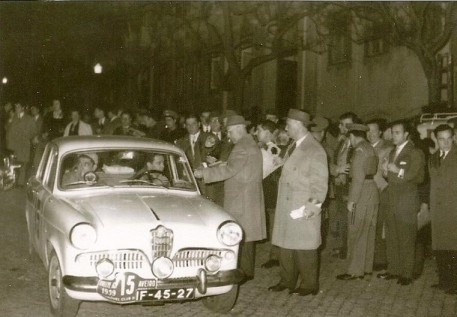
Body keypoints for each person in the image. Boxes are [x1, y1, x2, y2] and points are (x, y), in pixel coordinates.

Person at [194, 115, 266, 282]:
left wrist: (204, 173)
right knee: (245, 236)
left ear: (240, 128)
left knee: (240, 235)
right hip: (247, 196)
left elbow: (230, 170)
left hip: (241, 198)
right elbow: (235, 166)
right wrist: (220, 165)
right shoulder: (248, 143)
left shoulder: (242, 146)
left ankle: (244, 273)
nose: (229, 136)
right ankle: (245, 271)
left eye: (231, 132)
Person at [269, 109, 328, 296]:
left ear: (298, 125)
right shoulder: (294, 146)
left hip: (302, 204)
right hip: (288, 203)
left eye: (288, 125)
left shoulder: (315, 149)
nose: (286, 128)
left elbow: (320, 184)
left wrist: (312, 207)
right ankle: (287, 281)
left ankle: (309, 284)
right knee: (286, 245)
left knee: (305, 247)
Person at [377, 120, 424, 286]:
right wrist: (384, 171)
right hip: (392, 200)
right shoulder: (392, 152)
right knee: (392, 237)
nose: (393, 135)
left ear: (406, 134)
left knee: (406, 238)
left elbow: (417, 176)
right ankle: (394, 270)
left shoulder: (415, 152)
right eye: (392, 132)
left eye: (397, 132)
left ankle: (406, 273)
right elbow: (390, 177)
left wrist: (398, 170)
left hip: (406, 202)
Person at [336, 123, 379, 280]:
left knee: (356, 230)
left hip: (361, 194)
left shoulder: (359, 151)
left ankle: (354, 270)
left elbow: (358, 179)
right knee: (368, 232)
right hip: (372, 192)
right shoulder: (370, 148)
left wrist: (352, 201)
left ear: (352, 136)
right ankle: (366, 268)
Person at [428, 124, 457, 295]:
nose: (445, 143)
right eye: (441, 139)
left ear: (453, 137)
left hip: (453, 209)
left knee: (454, 246)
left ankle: (455, 282)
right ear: (435, 139)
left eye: (448, 138)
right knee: (439, 246)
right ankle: (444, 281)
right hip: (437, 210)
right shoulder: (433, 158)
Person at [330, 112, 359, 259]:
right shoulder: (341, 141)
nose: (342, 127)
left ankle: (349, 249)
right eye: (341, 124)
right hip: (339, 185)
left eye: (346, 124)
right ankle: (343, 247)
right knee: (342, 217)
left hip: (349, 185)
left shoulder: (357, 143)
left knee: (350, 218)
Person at [366, 118, 394, 271]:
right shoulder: (364, 147)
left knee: (380, 224)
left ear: (380, 132)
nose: (370, 134)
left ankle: (381, 260)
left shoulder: (387, 148)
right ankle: (371, 258)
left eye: (374, 130)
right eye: (368, 131)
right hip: (367, 191)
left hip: (381, 190)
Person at [256, 120, 281, 269]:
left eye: (258, 130)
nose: (256, 133)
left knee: (274, 224)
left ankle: (276, 255)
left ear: (267, 133)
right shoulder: (264, 149)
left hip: (271, 190)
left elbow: (262, 172)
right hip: (267, 189)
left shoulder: (272, 150)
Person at [5, 102, 38, 186]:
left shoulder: (29, 119)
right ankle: (13, 182)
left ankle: (20, 183)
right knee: (13, 165)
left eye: (18, 107)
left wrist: (27, 137)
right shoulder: (13, 118)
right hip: (14, 146)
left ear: (23, 108)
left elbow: (34, 131)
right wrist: (9, 122)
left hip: (24, 146)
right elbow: (7, 130)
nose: (16, 109)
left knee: (23, 165)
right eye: (15, 107)